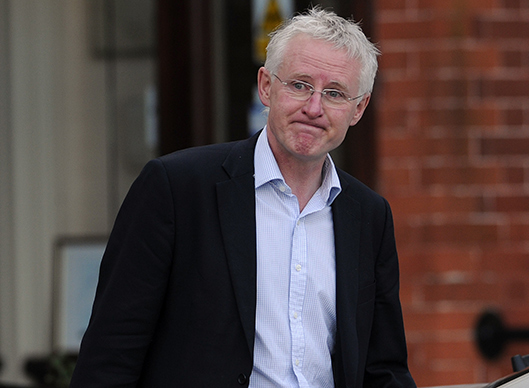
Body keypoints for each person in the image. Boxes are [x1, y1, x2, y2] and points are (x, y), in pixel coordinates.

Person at [70, 7, 416, 388]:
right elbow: (111, 354)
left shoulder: (369, 215)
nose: (314, 108)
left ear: (359, 108)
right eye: (300, 85)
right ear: (266, 86)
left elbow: (384, 369)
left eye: (334, 93)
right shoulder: (176, 189)